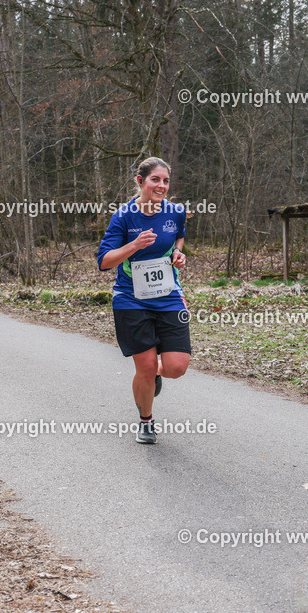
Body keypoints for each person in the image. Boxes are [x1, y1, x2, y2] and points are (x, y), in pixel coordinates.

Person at [96, 157, 190, 444]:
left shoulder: (175, 212)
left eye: (165, 181)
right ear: (140, 181)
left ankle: (157, 376)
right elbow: (104, 262)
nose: (161, 186)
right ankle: (146, 421)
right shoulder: (124, 217)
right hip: (131, 299)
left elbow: (179, 237)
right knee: (145, 366)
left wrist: (177, 254)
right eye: (155, 180)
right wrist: (134, 245)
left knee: (176, 367)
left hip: (168, 295)